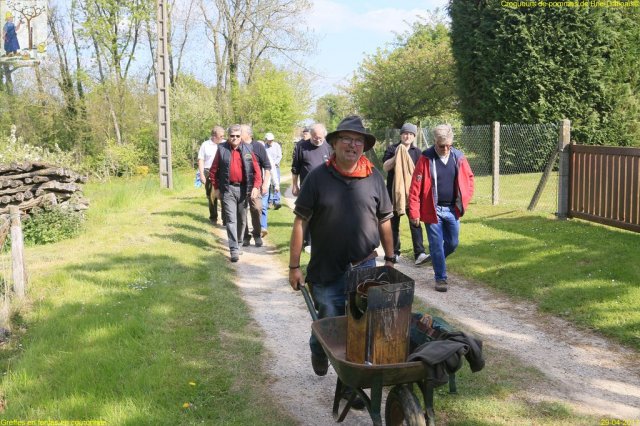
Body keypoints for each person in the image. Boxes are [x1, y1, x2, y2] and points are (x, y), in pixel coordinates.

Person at [288, 115, 395, 386]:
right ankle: (318, 348)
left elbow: (384, 220)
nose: (352, 145)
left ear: (364, 147)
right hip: (326, 269)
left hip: (364, 266)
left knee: (359, 327)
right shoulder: (317, 178)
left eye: (358, 141)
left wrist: (391, 258)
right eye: (346, 139)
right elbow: (300, 222)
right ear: (334, 143)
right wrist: (294, 266)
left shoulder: (374, 177)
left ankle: (350, 385)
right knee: (329, 323)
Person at [408, 124, 474, 292]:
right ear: (435, 142)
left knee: (453, 243)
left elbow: (469, 179)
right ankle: (441, 278)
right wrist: (414, 211)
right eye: (441, 146)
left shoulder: (458, 157)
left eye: (448, 146)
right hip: (433, 209)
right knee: (436, 245)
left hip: (452, 210)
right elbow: (415, 187)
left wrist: (465, 199)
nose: (445, 149)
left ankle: (436, 258)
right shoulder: (426, 158)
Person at [209, 124, 262, 262]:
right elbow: (213, 171)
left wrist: (256, 187)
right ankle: (233, 249)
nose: (235, 138)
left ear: (241, 137)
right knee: (231, 220)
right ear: (228, 136)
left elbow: (257, 171)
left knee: (242, 220)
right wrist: (216, 188)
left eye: (237, 136)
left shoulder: (248, 149)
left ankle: (239, 243)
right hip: (228, 190)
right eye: (232, 136)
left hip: (244, 190)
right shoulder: (221, 149)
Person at [382, 123, 429, 265]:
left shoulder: (417, 152)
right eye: (405, 133)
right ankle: (394, 253)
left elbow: (422, 172)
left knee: (415, 222)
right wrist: (398, 155)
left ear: (414, 136)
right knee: (393, 224)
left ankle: (419, 253)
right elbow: (385, 167)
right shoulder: (392, 149)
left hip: (412, 194)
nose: (407, 136)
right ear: (401, 135)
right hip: (394, 194)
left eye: (410, 134)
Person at [291, 123, 332, 252]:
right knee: (307, 214)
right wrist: (294, 185)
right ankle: (308, 241)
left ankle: (322, 240)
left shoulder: (329, 147)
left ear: (324, 135)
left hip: (326, 188)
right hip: (306, 187)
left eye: (320, 137)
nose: (317, 139)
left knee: (323, 215)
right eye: (315, 137)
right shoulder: (301, 146)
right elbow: (295, 167)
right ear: (310, 135)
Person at [240, 124, 271, 246]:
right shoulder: (237, 146)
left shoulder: (258, 146)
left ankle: (257, 235)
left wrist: (265, 184)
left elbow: (267, 167)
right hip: (240, 185)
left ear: (249, 134)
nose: (238, 134)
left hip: (255, 185)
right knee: (241, 211)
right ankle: (245, 236)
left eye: (241, 132)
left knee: (257, 208)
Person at [198, 126, 225, 225]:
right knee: (211, 196)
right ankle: (213, 218)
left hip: (222, 172)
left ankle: (225, 219)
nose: (223, 137)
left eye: (223, 136)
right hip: (208, 172)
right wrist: (201, 174)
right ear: (214, 135)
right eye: (221, 136)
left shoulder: (225, 144)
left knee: (224, 195)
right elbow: (201, 160)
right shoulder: (205, 145)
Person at [264, 132, 282, 210]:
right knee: (268, 184)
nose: (270, 141)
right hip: (267, 168)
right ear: (266, 139)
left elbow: (279, 156)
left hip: (275, 167)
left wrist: (273, 164)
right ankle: (269, 202)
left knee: (276, 184)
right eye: (269, 140)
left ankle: (276, 201)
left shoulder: (277, 146)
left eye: (271, 140)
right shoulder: (264, 146)